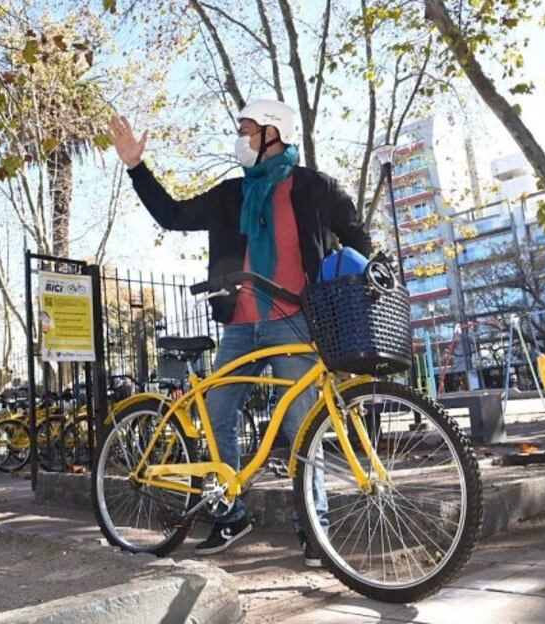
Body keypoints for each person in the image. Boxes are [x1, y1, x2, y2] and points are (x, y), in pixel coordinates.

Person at [108, 100, 372, 566]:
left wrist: (354, 286)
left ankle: (315, 527)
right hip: (240, 326)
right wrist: (136, 167)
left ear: (273, 133)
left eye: (246, 129)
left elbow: (358, 241)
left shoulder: (314, 188)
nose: (240, 138)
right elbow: (172, 215)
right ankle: (230, 513)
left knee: (302, 427)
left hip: (296, 323)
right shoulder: (232, 194)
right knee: (219, 413)